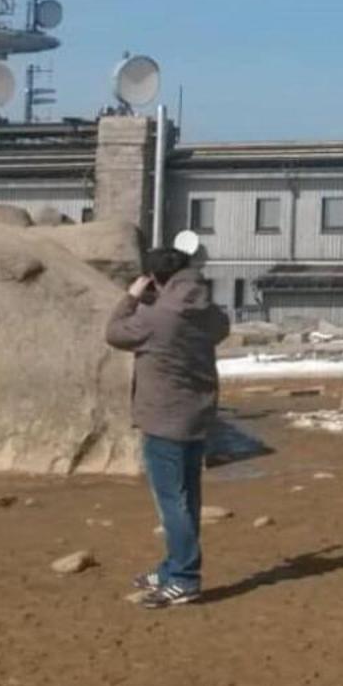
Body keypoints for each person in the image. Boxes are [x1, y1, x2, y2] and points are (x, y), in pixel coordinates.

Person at [105, 245, 231, 609]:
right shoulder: (207, 313)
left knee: (172, 502)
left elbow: (114, 333)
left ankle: (184, 578)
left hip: (163, 419)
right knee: (188, 495)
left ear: (155, 279)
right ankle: (172, 566)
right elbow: (215, 326)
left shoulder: (154, 318)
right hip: (197, 415)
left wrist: (130, 298)